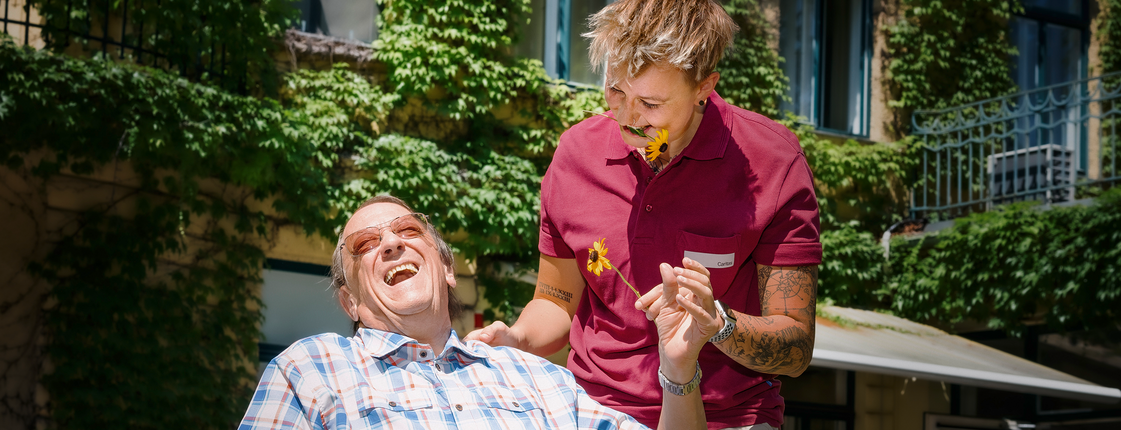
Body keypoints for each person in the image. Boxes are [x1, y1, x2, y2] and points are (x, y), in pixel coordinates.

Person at [465, 1, 822, 429]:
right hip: (594, 410)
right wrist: (518, 339)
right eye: (616, 91)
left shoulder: (773, 161)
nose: (628, 118)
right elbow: (556, 303)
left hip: (729, 418)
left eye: (650, 104)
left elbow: (796, 350)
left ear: (704, 88)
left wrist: (719, 324)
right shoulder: (576, 155)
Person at [239, 195, 718, 430]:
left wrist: (678, 367)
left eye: (408, 229)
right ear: (352, 303)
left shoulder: (539, 379)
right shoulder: (310, 370)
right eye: (364, 244)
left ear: (447, 269)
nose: (389, 243)